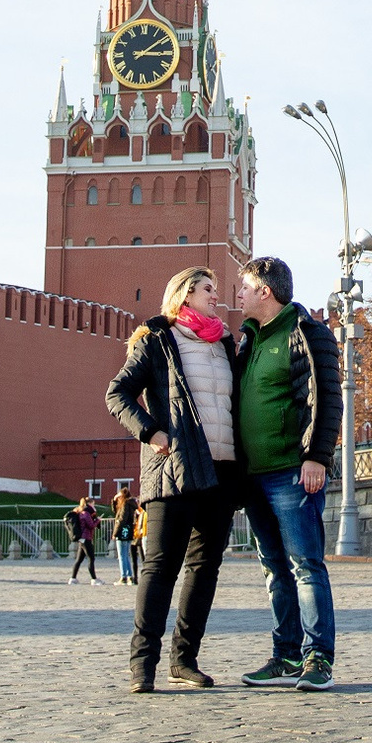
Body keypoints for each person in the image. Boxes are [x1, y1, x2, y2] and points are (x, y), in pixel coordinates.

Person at [105, 264, 241, 694]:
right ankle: (142, 664)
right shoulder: (157, 341)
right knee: (161, 567)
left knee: (205, 568)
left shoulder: (223, 343)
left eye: (215, 288)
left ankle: (184, 659)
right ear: (183, 295)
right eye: (206, 288)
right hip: (174, 468)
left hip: (220, 471)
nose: (214, 294)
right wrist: (150, 430)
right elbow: (117, 393)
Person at [230, 255, 343, 692]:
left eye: (243, 287)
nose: (237, 294)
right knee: (274, 569)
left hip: (293, 473)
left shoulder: (306, 333)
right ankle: (286, 655)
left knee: (306, 567)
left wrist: (316, 455)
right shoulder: (249, 341)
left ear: (265, 290)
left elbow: (326, 398)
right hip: (255, 478)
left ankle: (319, 659)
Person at [67, 497, 103, 583]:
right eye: (93, 504)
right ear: (89, 503)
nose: (94, 506)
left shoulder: (80, 512)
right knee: (91, 558)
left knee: (79, 559)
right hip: (86, 538)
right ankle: (94, 579)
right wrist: (97, 520)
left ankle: (73, 578)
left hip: (81, 538)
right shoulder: (86, 513)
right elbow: (90, 525)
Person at [111, 484, 139, 584]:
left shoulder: (125, 504)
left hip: (122, 531)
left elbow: (121, 519)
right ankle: (130, 576)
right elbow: (115, 511)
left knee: (122, 555)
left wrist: (115, 533)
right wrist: (114, 501)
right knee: (126, 555)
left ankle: (124, 576)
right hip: (129, 530)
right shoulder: (131, 504)